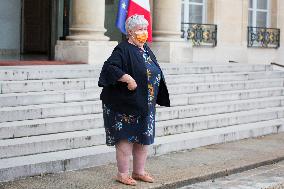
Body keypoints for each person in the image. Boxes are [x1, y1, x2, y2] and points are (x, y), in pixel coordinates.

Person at [98, 14, 170, 186]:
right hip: (124, 105)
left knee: (143, 138)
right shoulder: (122, 49)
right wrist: (128, 79)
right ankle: (122, 174)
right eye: (140, 29)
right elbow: (110, 68)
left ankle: (139, 172)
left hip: (145, 103)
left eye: (145, 29)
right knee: (125, 140)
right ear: (130, 32)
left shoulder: (145, 49)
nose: (143, 32)